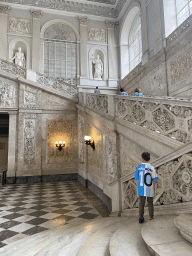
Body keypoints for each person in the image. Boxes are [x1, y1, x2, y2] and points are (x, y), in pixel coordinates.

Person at [134, 152, 159, 224]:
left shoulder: (139, 167)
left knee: (141, 204)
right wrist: (152, 187)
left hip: (141, 189)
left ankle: (140, 218)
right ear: (149, 158)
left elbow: (137, 178)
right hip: (149, 188)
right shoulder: (152, 167)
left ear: (142, 157)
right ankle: (151, 217)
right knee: (150, 203)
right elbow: (154, 179)